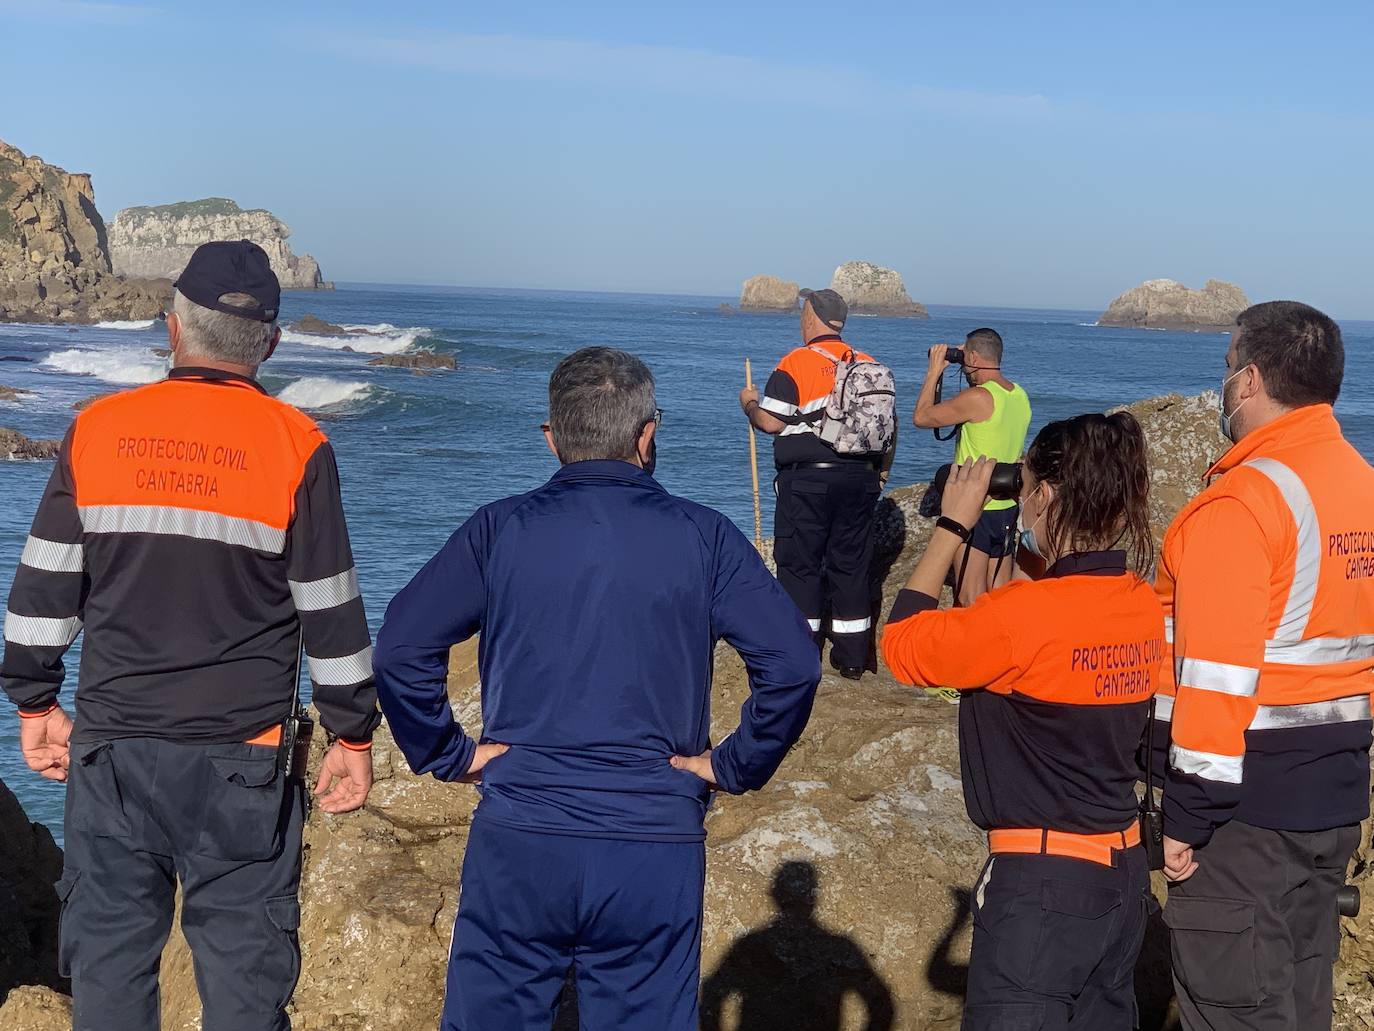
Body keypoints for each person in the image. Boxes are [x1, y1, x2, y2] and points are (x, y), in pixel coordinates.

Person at [373, 346, 820, 1031]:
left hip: (523, 832)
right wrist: (733, 763)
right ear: (648, 434)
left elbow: (402, 646)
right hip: (652, 838)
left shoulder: (500, 528)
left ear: (552, 438)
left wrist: (448, 752)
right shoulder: (705, 536)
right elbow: (792, 664)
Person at [3, 241, 379, 1031]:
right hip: (243, 757)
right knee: (245, 978)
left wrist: (35, 704)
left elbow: (42, 591)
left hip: (113, 751)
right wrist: (352, 733)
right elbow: (331, 611)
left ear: (172, 327)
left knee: (109, 969)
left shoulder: (96, 430)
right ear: (270, 343)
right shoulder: (299, 446)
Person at [881, 413, 1164, 1030]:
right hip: (1121, 878)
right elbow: (1035, 606)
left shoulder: (1019, 621)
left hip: (1042, 888)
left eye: (1030, 487)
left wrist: (953, 525)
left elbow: (902, 645)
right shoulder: (1139, 605)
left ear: (1048, 496)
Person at [1155, 301, 1374, 1031]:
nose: (1221, 384)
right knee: (1302, 1000)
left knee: (1236, 1007)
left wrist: (1187, 815)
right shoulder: (1361, 485)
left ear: (1249, 379)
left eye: (1226, 367)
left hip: (1246, 817)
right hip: (1334, 798)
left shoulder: (1245, 501)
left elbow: (1215, 679)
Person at [741, 287, 896, 680]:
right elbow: (888, 432)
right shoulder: (867, 364)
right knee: (851, 565)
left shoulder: (796, 362)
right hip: (860, 479)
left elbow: (770, 422)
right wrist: (880, 475)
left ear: (810, 318)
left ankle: (802, 652)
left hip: (808, 481)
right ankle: (853, 658)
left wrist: (749, 403)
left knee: (800, 565)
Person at [914, 329, 1031, 606]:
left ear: (974, 357)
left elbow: (922, 417)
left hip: (975, 506)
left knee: (970, 597)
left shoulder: (978, 397)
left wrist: (934, 371)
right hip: (1006, 506)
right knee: (1000, 595)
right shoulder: (1019, 395)